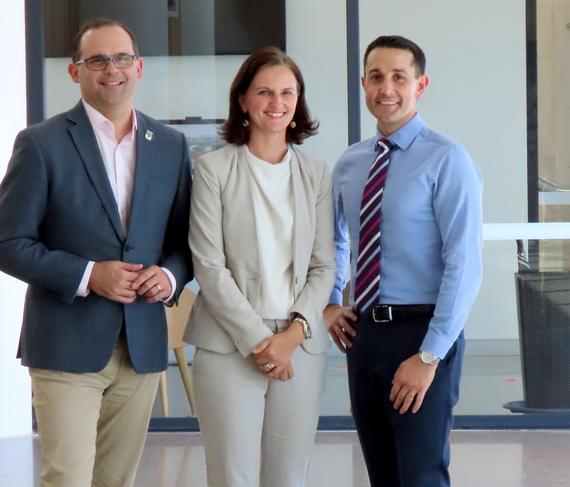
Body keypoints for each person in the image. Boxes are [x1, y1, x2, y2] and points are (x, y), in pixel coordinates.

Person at [0, 18, 193, 487]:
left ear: (139, 67)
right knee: (67, 478)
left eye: (121, 58)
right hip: (65, 342)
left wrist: (170, 277)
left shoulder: (169, 145)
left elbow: (184, 242)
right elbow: (6, 245)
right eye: (97, 59)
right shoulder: (40, 143)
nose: (111, 69)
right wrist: (87, 275)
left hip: (140, 344)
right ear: (74, 71)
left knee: (116, 480)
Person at [324, 35, 483, 487]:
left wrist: (429, 355)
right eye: (376, 77)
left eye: (399, 76)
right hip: (364, 333)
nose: (386, 87)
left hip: (423, 333)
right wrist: (333, 301)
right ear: (363, 83)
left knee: (420, 476)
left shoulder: (447, 160)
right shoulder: (351, 163)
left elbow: (464, 264)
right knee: (381, 474)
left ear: (421, 84)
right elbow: (335, 243)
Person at [184, 46, 336, 487]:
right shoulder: (213, 169)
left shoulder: (315, 173)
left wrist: (291, 336)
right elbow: (208, 266)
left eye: (288, 92)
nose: (277, 102)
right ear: (244, 100)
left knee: (289, 476)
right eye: (265, 91)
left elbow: (324, 266)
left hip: (299, 344)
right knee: (234, 476)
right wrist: (260, 342)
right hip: (229, 343)